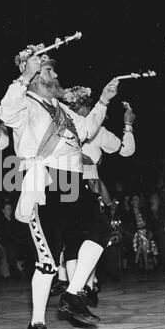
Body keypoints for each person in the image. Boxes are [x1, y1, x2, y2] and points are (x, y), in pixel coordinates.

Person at [0, 44, 118, 329]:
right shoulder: (24, 103)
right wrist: (23, 76)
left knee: (101, 230)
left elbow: (88, 130)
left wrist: (104, 100)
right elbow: (5, 112)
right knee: (48, 261)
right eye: (49, 70)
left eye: (52, 69)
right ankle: (38, 325)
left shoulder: (62, 109)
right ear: (36, 76)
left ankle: (73, 294)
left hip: (74, 182)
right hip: (46, 182)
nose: (55, 74)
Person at [51, 88, 136, 302]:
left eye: (85, 108)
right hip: (65, 185)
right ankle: (77, 289)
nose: (82, 112)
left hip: (91, 188)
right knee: (74, 240)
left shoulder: (99, 132)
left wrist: (128, 125)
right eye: (77, 109)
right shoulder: (62, 129)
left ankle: (85, 287)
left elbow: (126, 150)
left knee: (92, 237)